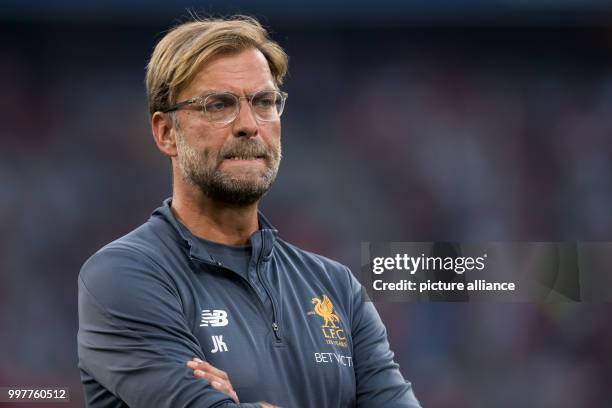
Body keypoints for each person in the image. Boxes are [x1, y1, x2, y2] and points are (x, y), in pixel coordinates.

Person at [77, 15, 421, 408]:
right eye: (218, 105)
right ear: (166, 133)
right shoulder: (123, 275)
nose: (248, 125)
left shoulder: (337, 288)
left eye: (264, 102)